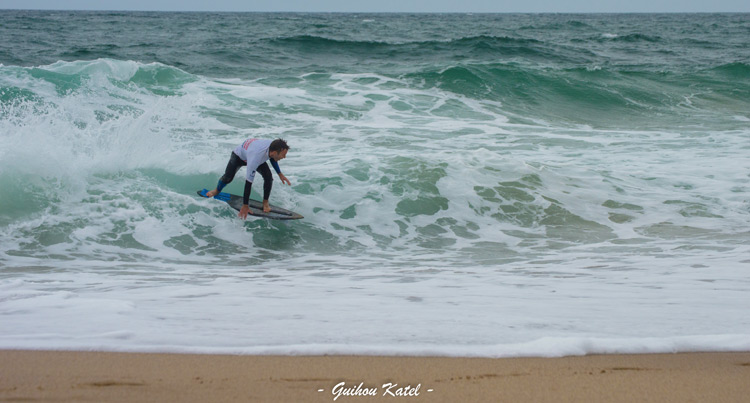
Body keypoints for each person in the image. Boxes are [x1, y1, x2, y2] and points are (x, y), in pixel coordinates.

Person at [206, 138, 291, 219]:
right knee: (228, 178)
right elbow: (248, 183)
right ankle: (217, 190)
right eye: (283, 154)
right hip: (238, 156)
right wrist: (245, 205)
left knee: (268, 178)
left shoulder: (273, 146)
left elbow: (272, 158)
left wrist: (280, 174)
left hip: (252, 151)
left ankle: (265, 202)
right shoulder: (256, 157)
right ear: (275, 152)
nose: (284, 157)